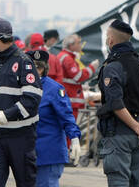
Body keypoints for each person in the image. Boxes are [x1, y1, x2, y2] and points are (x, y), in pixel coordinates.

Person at [97, 19, 139, 186]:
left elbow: (115, 102)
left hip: (120, 133)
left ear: (111, 40)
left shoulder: (112, 66)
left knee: (119, 181)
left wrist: (134, 126)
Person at [0, 18, 42, 187]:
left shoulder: (23, 62)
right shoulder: (0, 62)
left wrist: (8, 115)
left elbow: (32, 98)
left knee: (26, 183)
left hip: (20, 136)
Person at [26, 50, 81, 187]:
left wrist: (74, 139)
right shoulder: (22, 88)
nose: (33, 70)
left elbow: (67, 117)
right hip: (27, 153)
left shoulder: (54, 89)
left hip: (49, 152)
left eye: (37, 67)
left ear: (44, 69)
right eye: (30, 67)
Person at [57, 34, 99, 118]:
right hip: (70, 100)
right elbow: (78, 76)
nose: (80, 45)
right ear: (71, 45)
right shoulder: (67, 58)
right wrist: (92, 67)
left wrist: (81, 86)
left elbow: (68, 78)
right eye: (78, 43)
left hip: (66, 99)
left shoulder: (63, 56)